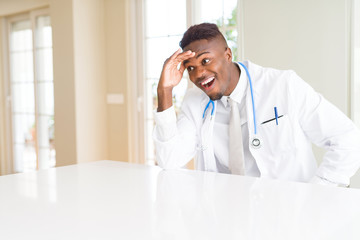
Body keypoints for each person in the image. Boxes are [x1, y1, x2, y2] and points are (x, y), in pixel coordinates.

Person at [153, 23, 360, 187]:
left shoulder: (283, 86)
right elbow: (169, 160)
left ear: (228, 54)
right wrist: (165, 91)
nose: (198, 75)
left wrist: (315, 194)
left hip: (286, 218)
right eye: (190, 68)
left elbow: (347, 140)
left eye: (205, 61)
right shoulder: (194, 101)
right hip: (224, 216)